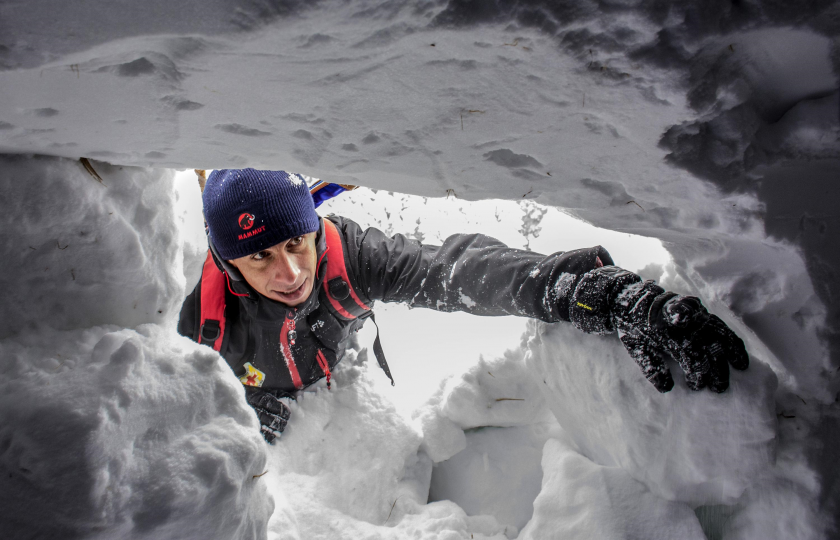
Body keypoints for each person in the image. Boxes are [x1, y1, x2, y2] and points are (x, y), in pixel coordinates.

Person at [178, 168, 749, 442]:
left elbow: (458, 270)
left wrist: (587, 290)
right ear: (228, 267)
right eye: (260, 260)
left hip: (341, 384)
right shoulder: (195, 318)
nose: (292, 273)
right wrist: (244, 402)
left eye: (296, 243)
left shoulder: (347, 257)